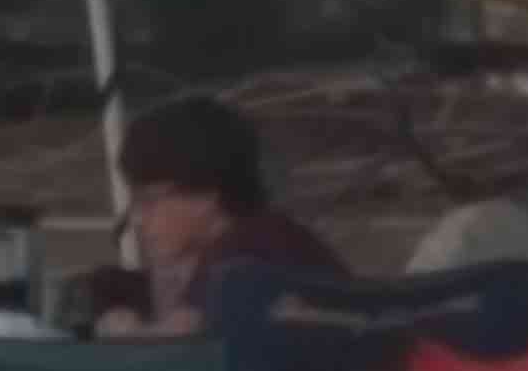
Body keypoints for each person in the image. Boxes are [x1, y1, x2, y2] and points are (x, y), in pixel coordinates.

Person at [99, 93, 345, 337]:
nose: (140, 219)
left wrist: (123, 331)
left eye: (148, 200)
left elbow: (177, 343)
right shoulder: (275, 236)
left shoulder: (243, 246)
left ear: (204, 196)